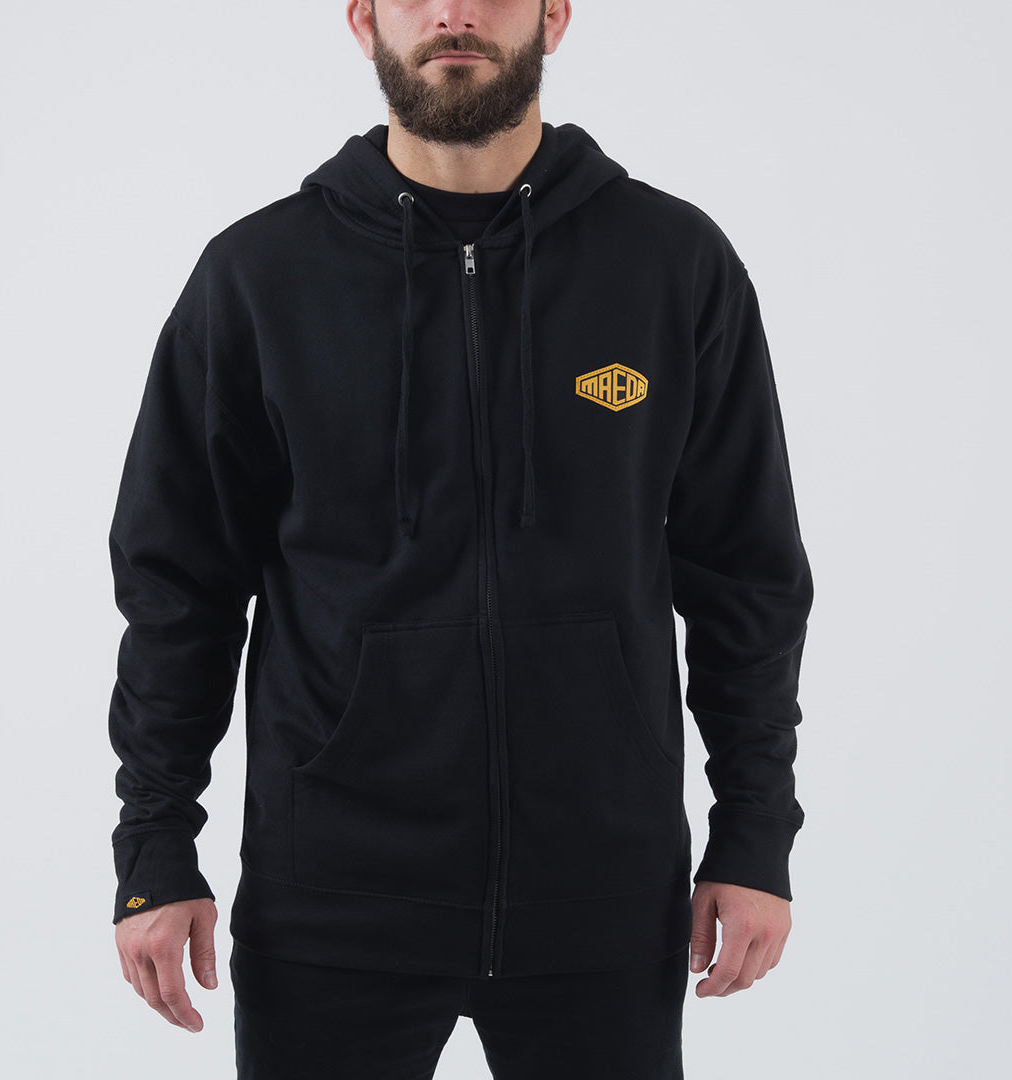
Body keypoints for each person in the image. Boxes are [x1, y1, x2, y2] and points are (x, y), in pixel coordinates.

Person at [108, 1, 814, 1076]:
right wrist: (155, 846)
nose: (453, 13)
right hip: (332, 906)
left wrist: (754, 835)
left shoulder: (671, 263)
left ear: (553, 16)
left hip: (603, 902)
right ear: (364, 20)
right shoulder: (259, 277)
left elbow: (748, 576)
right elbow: (179, 588)